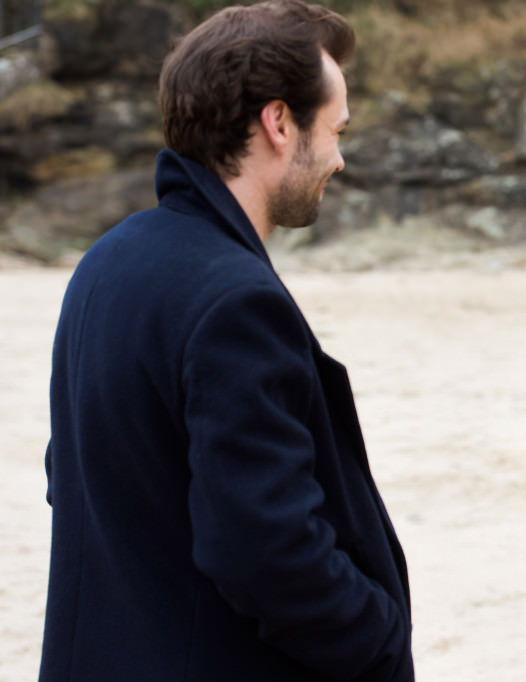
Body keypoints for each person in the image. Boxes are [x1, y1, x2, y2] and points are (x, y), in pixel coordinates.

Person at [40, 2, 414, 681]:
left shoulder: (110, 258)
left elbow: (72, 472)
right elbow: (267, 552)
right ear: (278, 124)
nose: (339, 157)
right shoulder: (235, 301)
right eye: (334, 130)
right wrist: (380, 642)